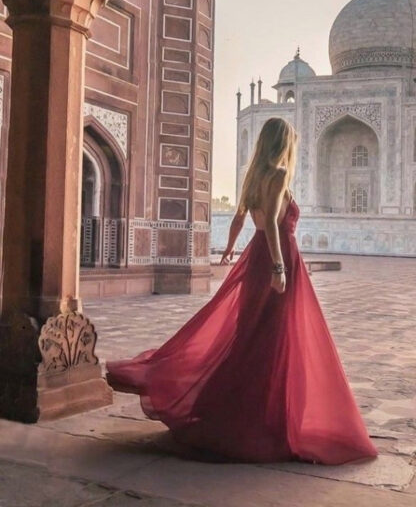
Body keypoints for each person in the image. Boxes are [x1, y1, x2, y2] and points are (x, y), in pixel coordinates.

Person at [106, 117, 377, 465]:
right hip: (277, 260)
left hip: (256, 259)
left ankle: (236, 413)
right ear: (284, 144)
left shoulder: (254, 176)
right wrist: (279, 269)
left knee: (250, 337)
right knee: (275, 340)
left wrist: (230, 248)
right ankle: (264, 423)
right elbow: (276, 229)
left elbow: (239, 218)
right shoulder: (278, 175)